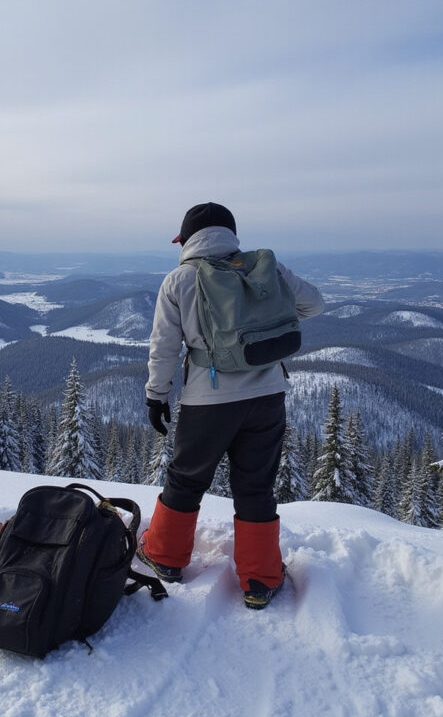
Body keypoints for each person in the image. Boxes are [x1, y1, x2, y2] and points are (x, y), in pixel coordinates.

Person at [137, 202, 324, 609]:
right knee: (255, 486)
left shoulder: (179, 280)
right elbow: (314, 305)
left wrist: (157, 395)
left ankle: (166, 558)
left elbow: (164, 348)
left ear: (186, 240)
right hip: (267, 396)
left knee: (187, 478)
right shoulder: (265, 270)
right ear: (230, 234)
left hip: (209, 400)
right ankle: (259, 580)